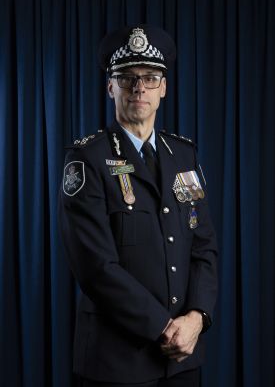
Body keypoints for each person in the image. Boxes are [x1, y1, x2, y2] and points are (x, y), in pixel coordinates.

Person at [58, 25, 218, 387]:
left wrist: (197, 317)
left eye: (149, 77)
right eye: (127, 78)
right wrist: (165, 328)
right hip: (116, 362)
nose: (139, 88)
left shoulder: (184, 156)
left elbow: (204, 247)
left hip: (182, 360)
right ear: (110, 87)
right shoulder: (88, 159)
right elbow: (95, 266)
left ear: (163, 88)